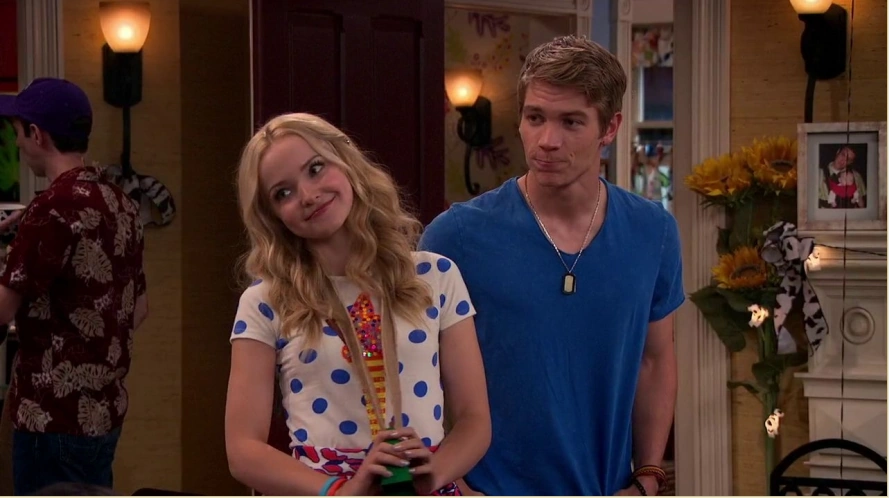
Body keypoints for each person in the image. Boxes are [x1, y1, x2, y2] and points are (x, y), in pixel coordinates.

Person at [419, 35, 684, 496]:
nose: (547, 141)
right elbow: (413, 374)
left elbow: (654, 361)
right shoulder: (455, 237)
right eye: (535, 118)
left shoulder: (652, 232)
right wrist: (453, 484)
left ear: (610, 128)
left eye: (571, 122)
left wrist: (647, 477)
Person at [224, 112, 490, 496]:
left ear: (346, 161)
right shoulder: (265, 302)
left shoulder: (436, 276)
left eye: (316, 169)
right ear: (272, 217)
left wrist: (435, 473)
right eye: (283, 193)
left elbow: (474, 419)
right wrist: (340, 491)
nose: (308, 195)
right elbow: (243, 452)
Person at [0, 77, 148, 495]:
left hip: (51, 416)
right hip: (103, 415)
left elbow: (2, 310)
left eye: (18, 132)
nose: (17, 143)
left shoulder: (50, 207)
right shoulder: (120, 203)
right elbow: (138, 309)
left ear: (37, 134)